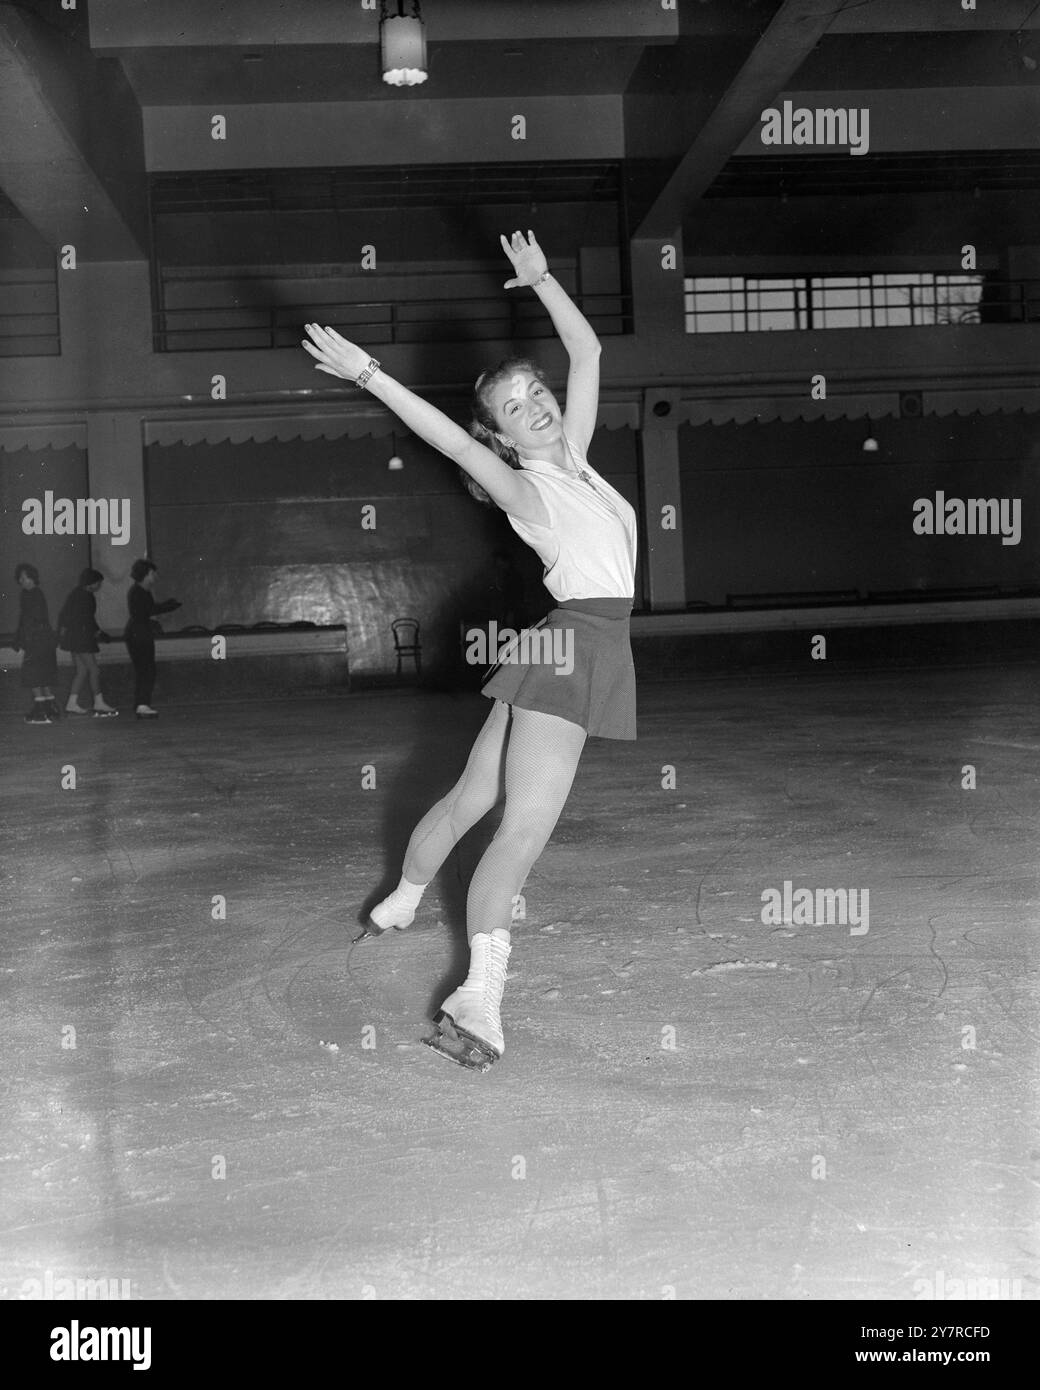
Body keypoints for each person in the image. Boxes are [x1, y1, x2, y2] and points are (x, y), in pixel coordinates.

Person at [302, 230, 638, 1072]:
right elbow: (453, 443)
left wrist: (545, 280)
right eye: (514, 409)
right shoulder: (524, 486)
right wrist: (371, 376)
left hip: (568, 645)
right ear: (501, 437)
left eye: (536, 392)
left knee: (467, 802)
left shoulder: (581, 464)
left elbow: (587, 347)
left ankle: (400, 905)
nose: (537, 406)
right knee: (518, 834)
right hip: (574, 651)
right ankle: (478, 995)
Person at [124, 559, 182, 719]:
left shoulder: (140, 591)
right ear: (145, 575)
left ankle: (142, 704)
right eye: (152, 573)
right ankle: (142, 704)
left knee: (146, 669)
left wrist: (165, 606)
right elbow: (147, 611)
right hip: (139, 634)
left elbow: (147, 610)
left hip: (138, 633)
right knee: (147, 669)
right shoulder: (139, 592)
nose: (154, 576)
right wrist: (167, 607)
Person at [58, 568, 119, 717]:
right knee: (94, 670)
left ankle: (72, 703)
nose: (99, 585)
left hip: (73, 639)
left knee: (82, 671)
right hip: (83, 639)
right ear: (91, 583)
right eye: (98, 582)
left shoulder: (75, 594)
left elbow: (65, 615)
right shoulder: (87, 596)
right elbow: (88, 619)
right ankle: (99, 703)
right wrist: (99, 633)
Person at [13, 562, 60, 724]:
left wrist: (22, 640)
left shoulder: (29, 595)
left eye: (23, 577)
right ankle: (50, 708)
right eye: (20, 578)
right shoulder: (36, 593)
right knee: (43, 675)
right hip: (44, 640)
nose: (21, 581)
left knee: (32, 675)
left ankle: (41, 712)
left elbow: (28, 620)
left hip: (36, 641)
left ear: (32, 578)